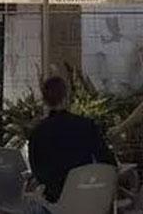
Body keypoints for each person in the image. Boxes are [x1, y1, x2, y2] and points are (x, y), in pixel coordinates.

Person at [27, 75, 117, 208]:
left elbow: (37, 170)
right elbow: (107, 161)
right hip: (87, 197)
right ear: (66, 97)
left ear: (45, 101)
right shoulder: (86, 126)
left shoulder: (37, 133)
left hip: (55, 202)